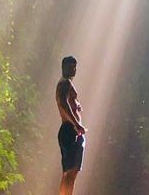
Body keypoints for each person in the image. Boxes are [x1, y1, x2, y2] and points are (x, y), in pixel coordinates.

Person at [56, 55, 86, 195]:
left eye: (75, 66)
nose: (73, 69)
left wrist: (77, 105)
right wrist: (76, 124)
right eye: (70, 66)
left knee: (69, 172)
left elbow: (69, 102)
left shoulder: (66, 84)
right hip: (70, 130)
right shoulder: (65, 83)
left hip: (69, 130)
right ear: (63, 67)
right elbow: (63, 103)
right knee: (70, 172)